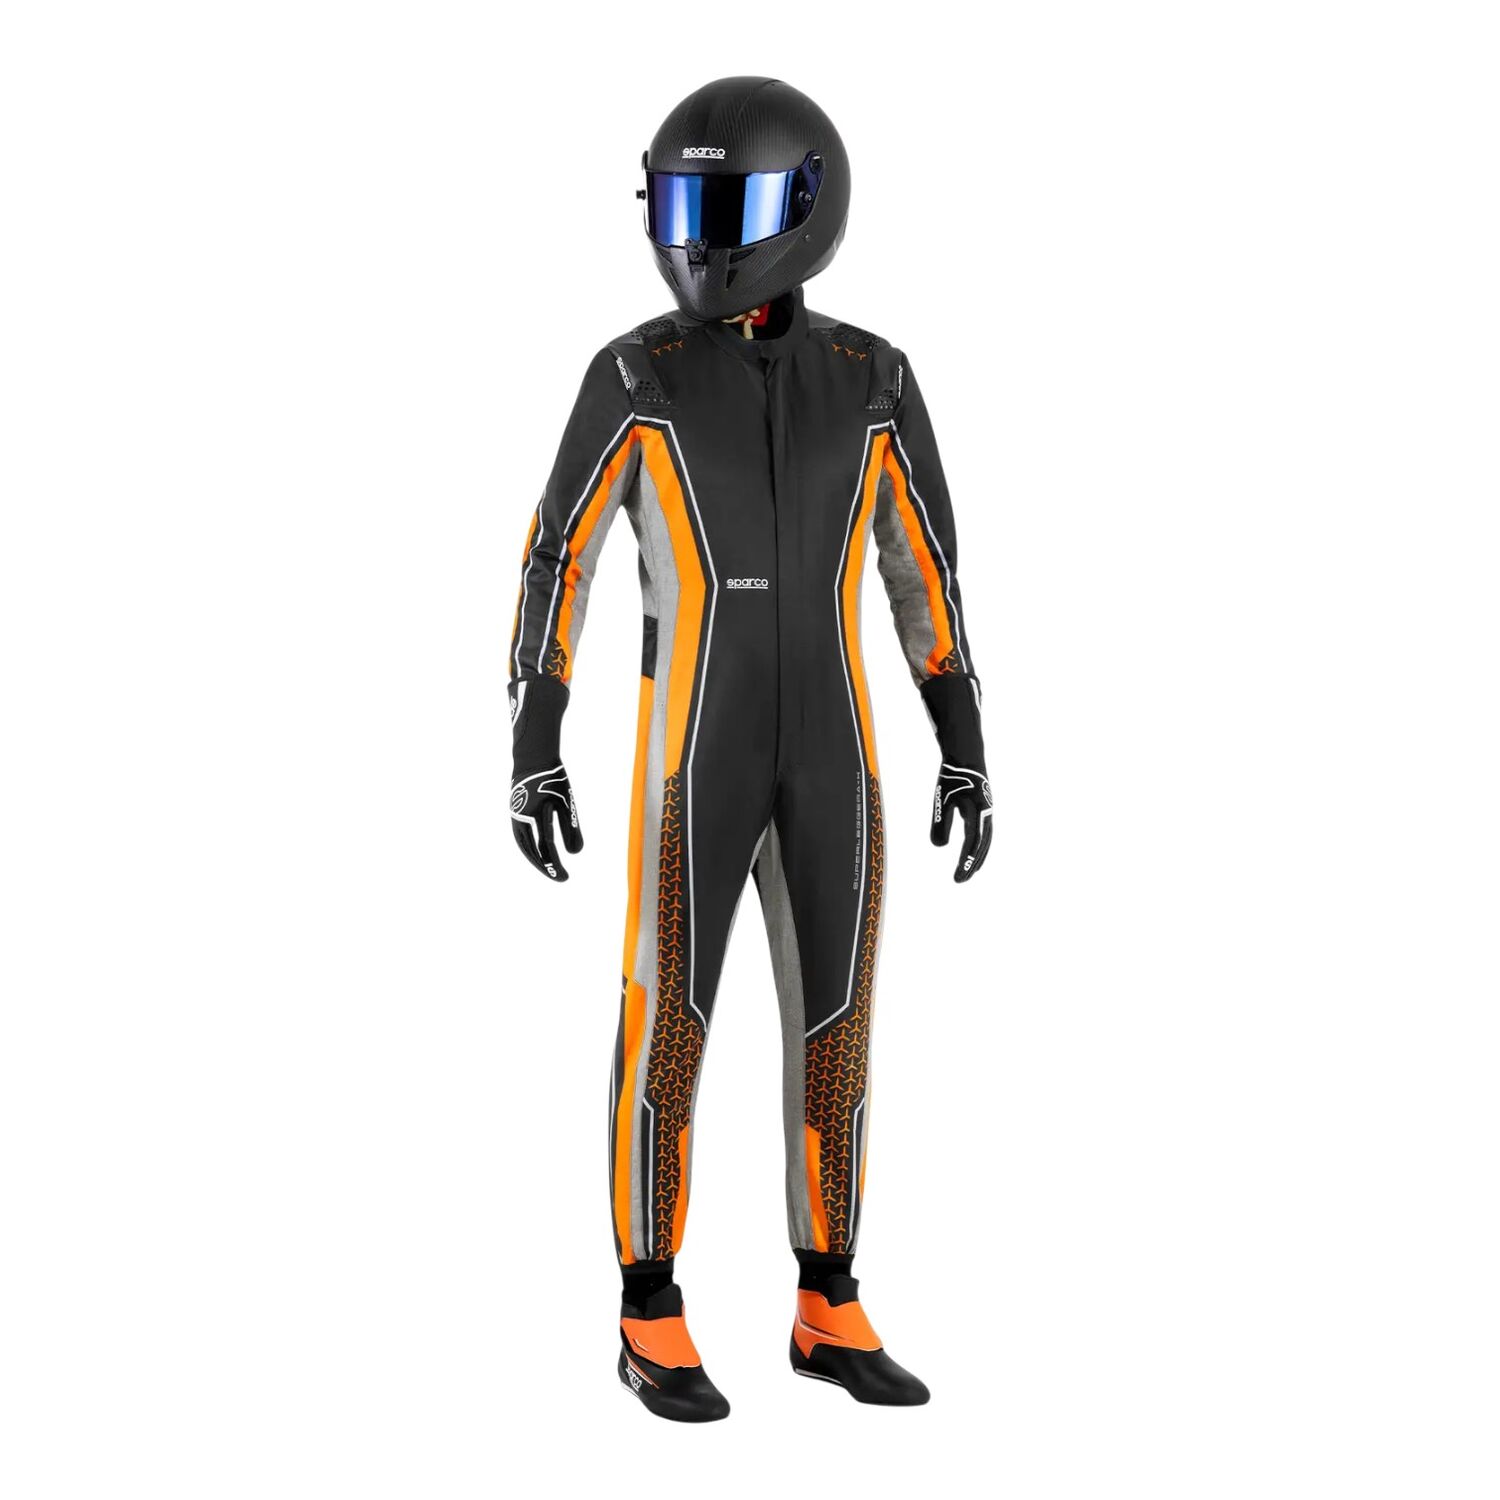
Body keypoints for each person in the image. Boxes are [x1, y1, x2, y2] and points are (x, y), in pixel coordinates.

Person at [507, 76, 991, 1421]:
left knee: (839, 1022)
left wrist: (963, 739)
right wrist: (535, 734)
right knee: (669, 1019)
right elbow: (557, 558)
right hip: (693, 762)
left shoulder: (872, 378)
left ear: (808, 207)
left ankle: (828, 1303)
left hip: (835, 759)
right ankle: (648, 1311)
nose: (702, 241)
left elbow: (926, 574)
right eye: (683, 207)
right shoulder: (635, 376)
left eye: (729, 209)